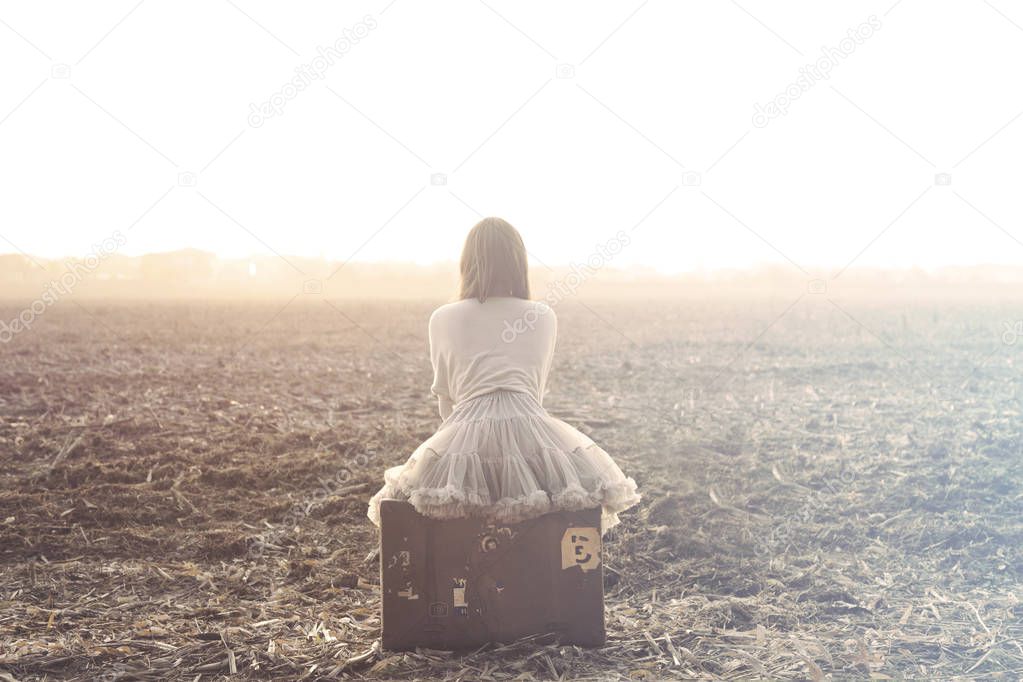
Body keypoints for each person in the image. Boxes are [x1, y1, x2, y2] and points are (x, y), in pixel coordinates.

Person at [367, 217, 640, 533]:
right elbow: (534, 393)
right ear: (518, 261)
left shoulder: (442, 318)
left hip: (461, 428)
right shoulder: (542, 316)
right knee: (544, 531)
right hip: (533, 428)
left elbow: (446, 400)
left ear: (467, 262)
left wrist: (460, 455)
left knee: (456, 529)